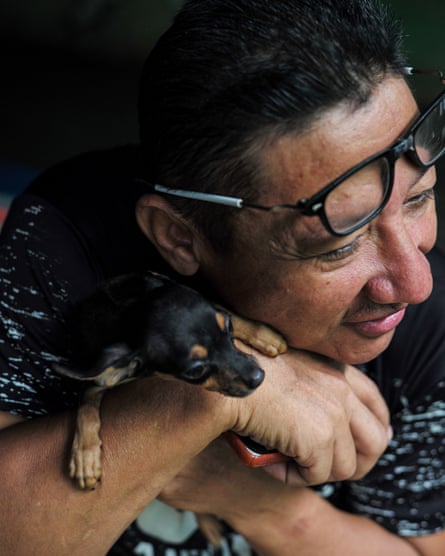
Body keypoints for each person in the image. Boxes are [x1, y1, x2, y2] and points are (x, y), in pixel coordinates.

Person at [0, 0, 444, 553]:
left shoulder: (419, 322)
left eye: (421, 198)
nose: (415, 283)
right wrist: (220, 395)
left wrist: (255, 501)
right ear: (179, 238)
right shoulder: (70, 236)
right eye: (341, 244)